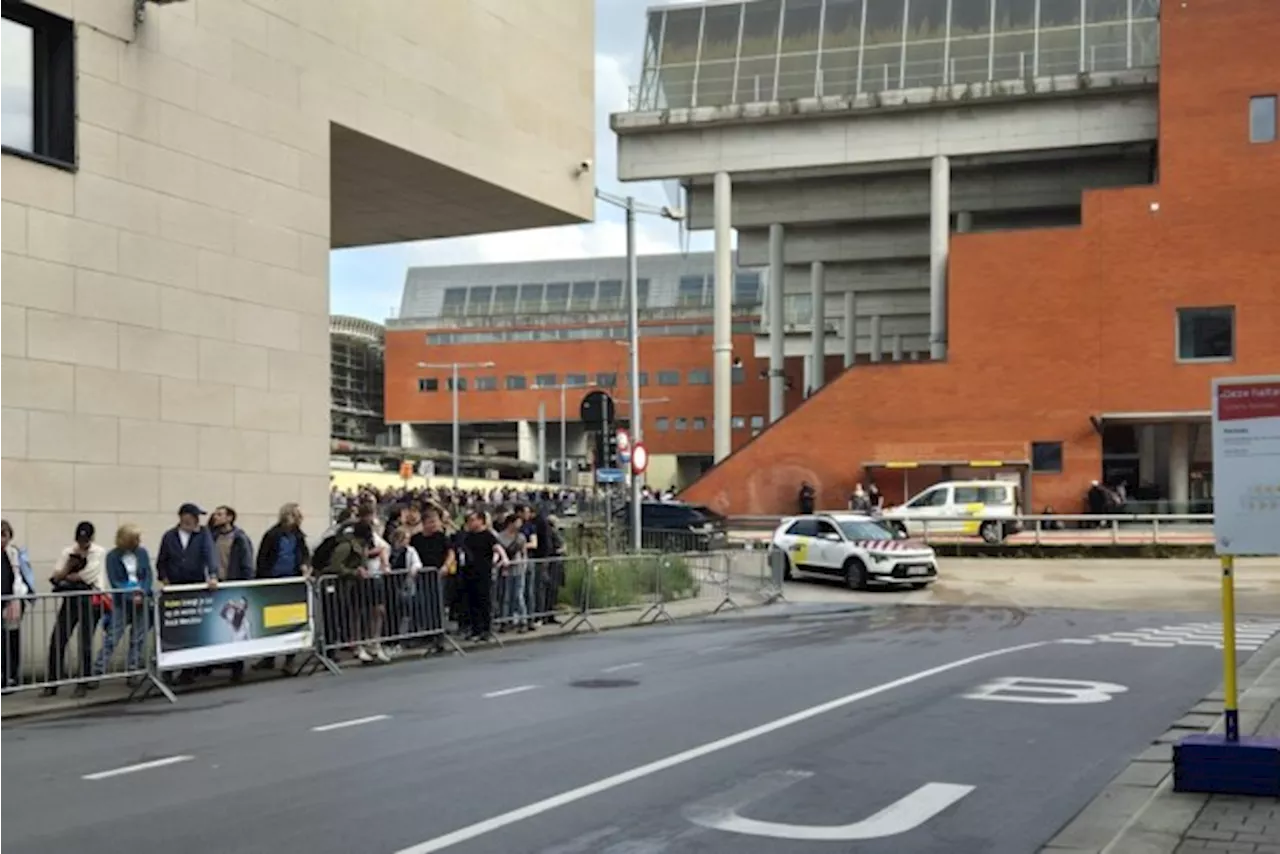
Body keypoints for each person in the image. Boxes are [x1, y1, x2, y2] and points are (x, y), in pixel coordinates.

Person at [155, 504, 218, 686]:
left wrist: (212, 576)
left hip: (194, 585)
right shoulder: (169, 536)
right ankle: (168, 669)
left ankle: (187, 671)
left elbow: (209, 555)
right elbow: (162, 560)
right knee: (173, 628)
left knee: (190, 626)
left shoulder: (202, 535)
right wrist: (164, 578)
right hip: (175, 586)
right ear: (184, 517)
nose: (196, 521)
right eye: (193, 517)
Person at [44, 521, 107, 697]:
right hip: (71, 599)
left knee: (85, 642)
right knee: (58, 638)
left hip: (89, 599)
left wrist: (69, 576)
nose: (82, 544)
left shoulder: (98, 552)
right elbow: (56, 575)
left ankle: (83, 682)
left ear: (91, 538)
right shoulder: (68, 552)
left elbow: (90, 575)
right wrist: (69, 568)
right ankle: (52, 682)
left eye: (85, 540)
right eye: (79, 540)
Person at [254, 503, 311, 672]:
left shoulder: (298, 536)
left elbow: (304, 554)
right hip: (274, 580)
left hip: (291, 580)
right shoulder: (273, 535)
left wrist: (304, 565)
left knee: (291, 620)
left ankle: (289, 658)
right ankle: (269, 657)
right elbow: (263, 558)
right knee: (271, 621)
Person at [92, 524, 152, 684]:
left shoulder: (142, 553)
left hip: (142, 598)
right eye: (135, 538)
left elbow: (148, 575)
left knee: (138, 638)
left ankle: (133, 670)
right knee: (113, 637)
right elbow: (115, 581)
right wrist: (131, 596)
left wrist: (143, 592)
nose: (139, 541)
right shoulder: (112, 556)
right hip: (122, 602)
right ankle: (98, 670)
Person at [457, 511, 505, 642]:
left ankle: (486, 629)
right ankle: (475, 629)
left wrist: (502, 559)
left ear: (481, 521)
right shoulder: (468, 536)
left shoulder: (487, 535)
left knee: (484, 601)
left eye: (473, 520)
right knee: (472, 602)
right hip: (469, 572)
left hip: (483, 572)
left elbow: (498, 548)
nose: (471, 523)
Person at [0, 520, 31, 691]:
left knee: (12, 639)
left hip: (12, 602)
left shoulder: (13, 553)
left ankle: (12, 675)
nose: (1, 539)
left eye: (4, 535)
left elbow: (21, 574)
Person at [496, 513, 529, 633]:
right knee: (505, 596)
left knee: (518, 595)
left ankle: (523, 620)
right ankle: (505, 620)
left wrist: (524, 565)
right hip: (505, 570)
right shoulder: (500, 537)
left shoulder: (521, 537)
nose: (519, 524)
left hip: (518, 569)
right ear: (510, 523)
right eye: (517, 522)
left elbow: (524, 552)